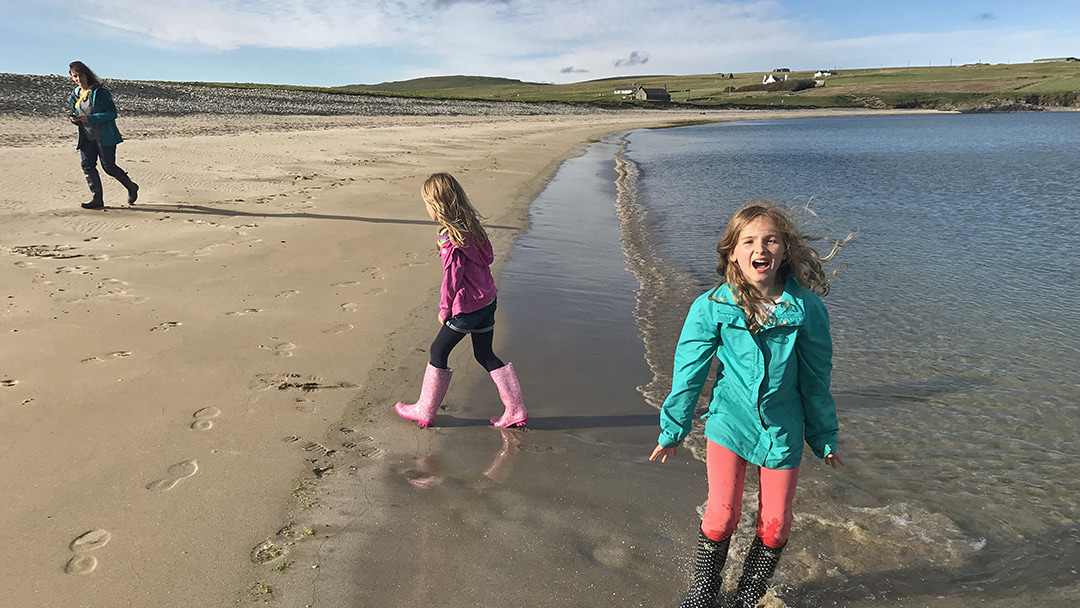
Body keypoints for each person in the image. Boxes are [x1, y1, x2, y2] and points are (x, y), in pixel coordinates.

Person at [649, 199, 850, 608]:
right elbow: (688, 373)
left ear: (785, 250)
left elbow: (815, 379)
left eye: (771, 240)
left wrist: (824, 434)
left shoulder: (807, 309)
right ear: (732, 252)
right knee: (722, 516)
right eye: (750, 241)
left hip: (782, 428)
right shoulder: (712, 307)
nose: (761, 249)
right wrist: (673, 429)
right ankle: (704, 590)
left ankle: (749, 593)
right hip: (729, 421)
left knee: (775, 527)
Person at [395, 173, 527, 429]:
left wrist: (445, 309)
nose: (427, 209)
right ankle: (515, 408)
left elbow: (452, 278)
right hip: (488, 301)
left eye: (427, 204)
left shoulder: (450, 238)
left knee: (438, 350)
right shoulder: (475, 230)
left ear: (438, 206)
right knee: (484, 353)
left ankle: (425, 410)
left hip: (466, 307)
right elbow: (487, 258)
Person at [67, 61, 138, 210]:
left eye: (80, 75)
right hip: (86, 137)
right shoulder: (75, 95)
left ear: (87, 74)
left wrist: (90, 118)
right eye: (75, 76)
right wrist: (75, 120)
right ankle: (97, 199)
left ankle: (131, 187)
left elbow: (112, 113)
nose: (78, 79)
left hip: (105, 137)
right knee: (87, 165)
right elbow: (79, 116)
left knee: (109, 167)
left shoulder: (100, 92)